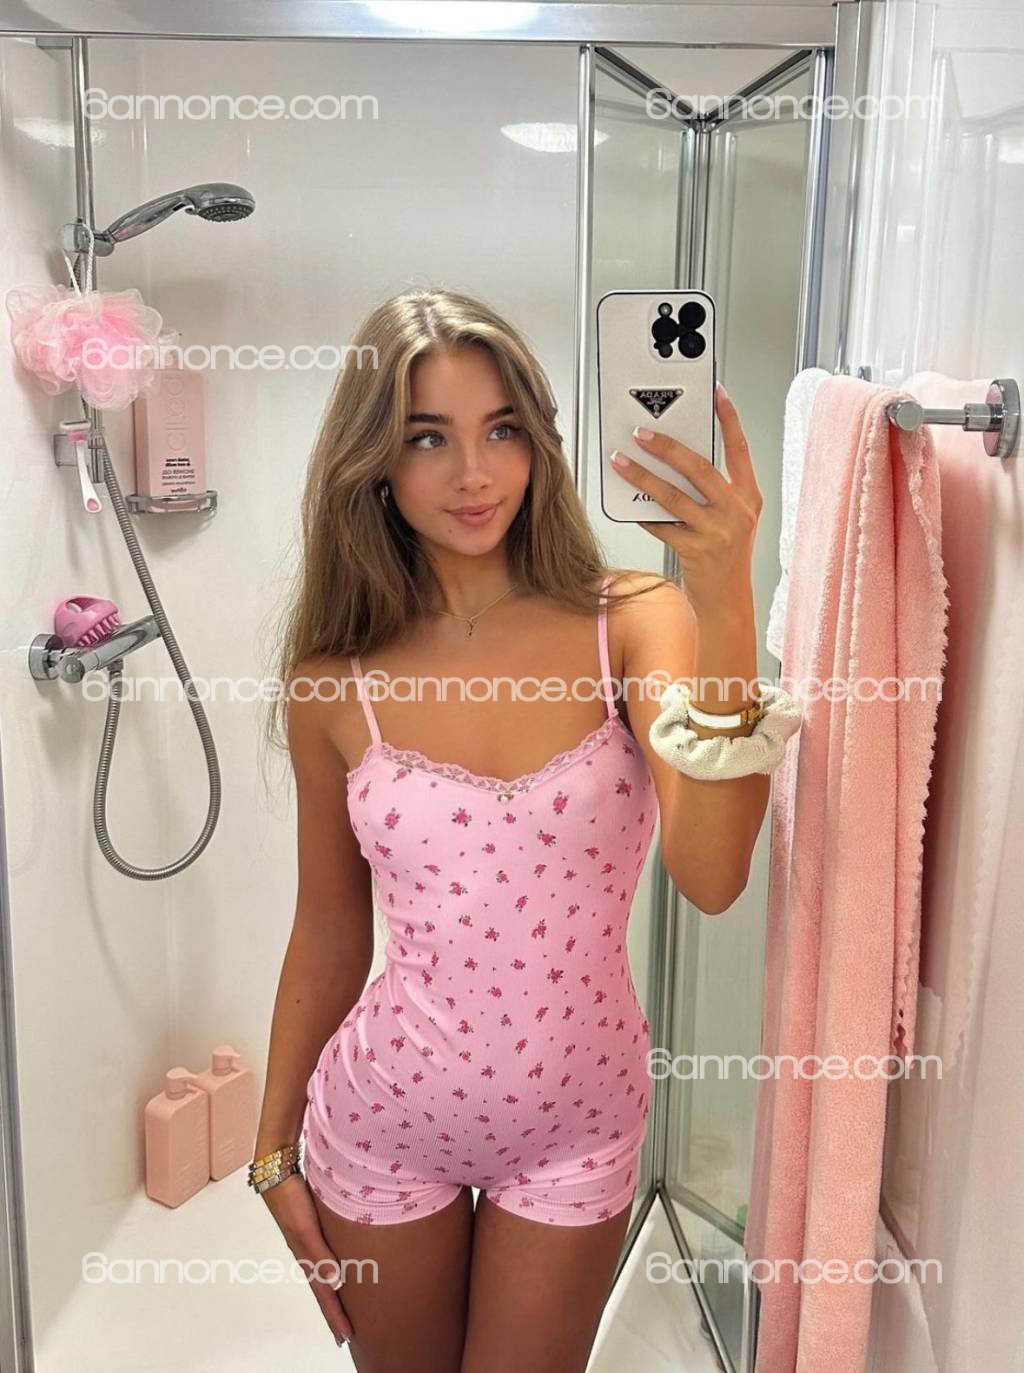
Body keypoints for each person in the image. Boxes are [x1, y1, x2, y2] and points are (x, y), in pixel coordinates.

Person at [253, 287, 769, 1372]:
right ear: (373, 463)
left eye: (501, 430)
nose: (473, 473)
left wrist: (727, 594)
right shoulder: (333, 681)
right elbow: (329, 932)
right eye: (426, 438)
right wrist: (270, 1152)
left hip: (578, 1126)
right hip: (384, 1123)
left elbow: (713, 873)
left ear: (539, 438)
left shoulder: (635, 620)